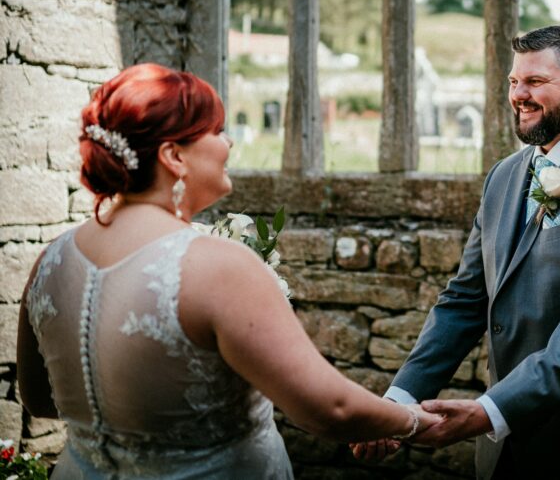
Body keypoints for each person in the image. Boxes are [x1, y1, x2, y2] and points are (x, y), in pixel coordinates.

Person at [16, 63, 439, 479]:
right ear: (173, 156)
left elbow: (38, 399)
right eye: (216, 131)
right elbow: (330, 410)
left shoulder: (51, 261)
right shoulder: (214, 265)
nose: (229, 143)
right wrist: (413, 421)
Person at [356, 26, 560, 478]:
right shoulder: (503, 176)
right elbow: (465, 300)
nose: (518, 95)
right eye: (513, 82)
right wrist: (398, 403)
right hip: (506, 453)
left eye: (535, 82)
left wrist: (488, 411)